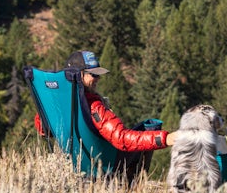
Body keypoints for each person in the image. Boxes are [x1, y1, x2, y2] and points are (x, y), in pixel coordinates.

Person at [35, 50, 176, 152]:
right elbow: (122, 139)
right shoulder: (93, 107)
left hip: (74, 165)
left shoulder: (55, 106)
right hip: (105, 166)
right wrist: (165, 138)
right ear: (78, 76)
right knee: (148, 127)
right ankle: (133, 184)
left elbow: (42, 130)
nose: (98, 78)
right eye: (93, 74)